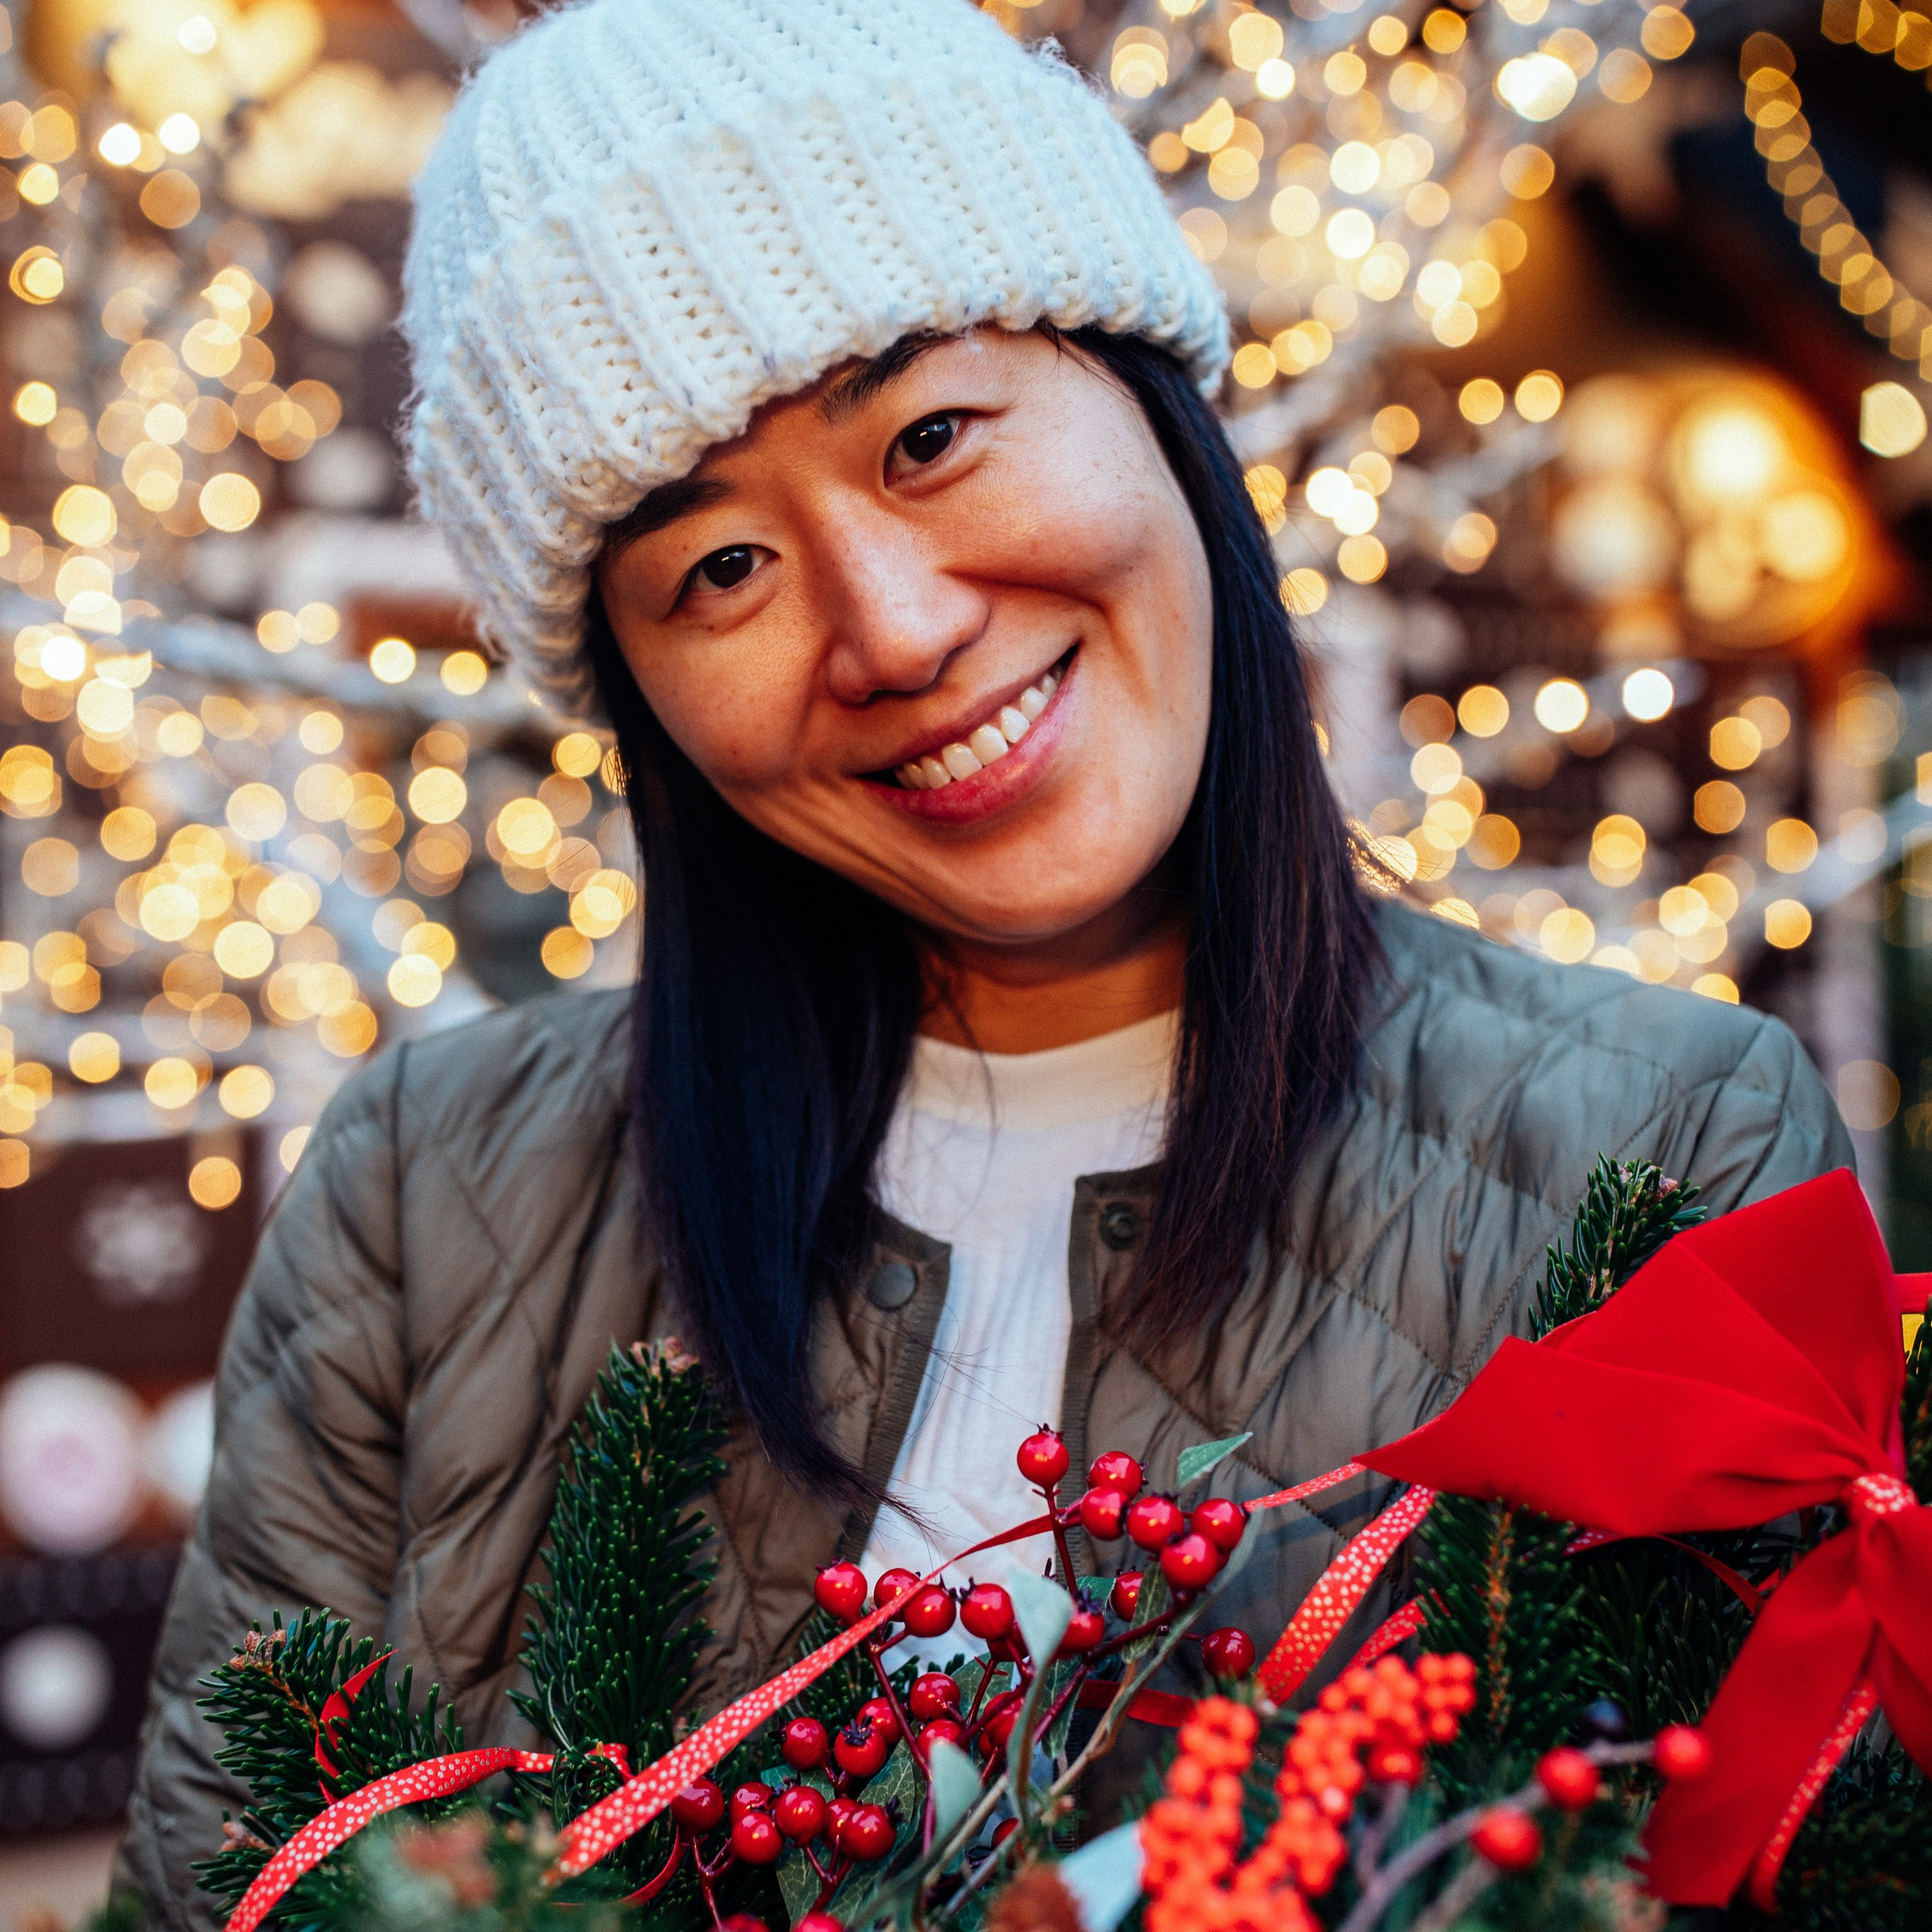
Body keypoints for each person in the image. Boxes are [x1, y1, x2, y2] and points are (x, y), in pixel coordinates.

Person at [115, 0, 1851, 1921]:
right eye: (716, 571)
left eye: (930, 435)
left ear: (1147, 400)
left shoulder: (1666, 1143)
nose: (891, 626)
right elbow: (223, 1878)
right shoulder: (426, 1193)